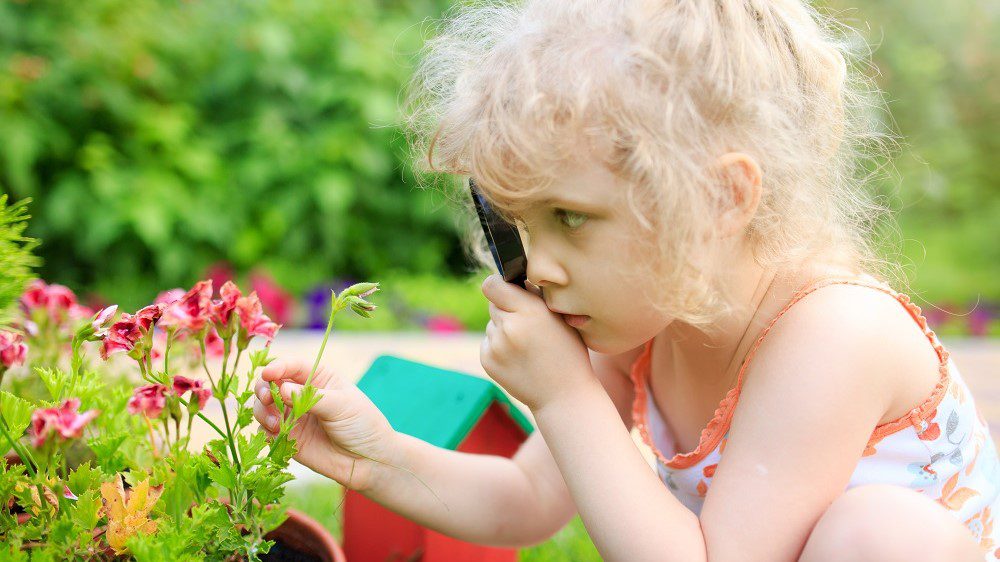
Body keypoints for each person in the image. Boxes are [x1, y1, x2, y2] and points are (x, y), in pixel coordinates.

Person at [253, 0, 999, 559]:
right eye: (520, 224)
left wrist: (568, 396)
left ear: (719, 199)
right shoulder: (648, 319)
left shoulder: (834, 333)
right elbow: (524, 501)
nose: (538, 268)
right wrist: (374, 459)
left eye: (571, 217)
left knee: (879, 533)